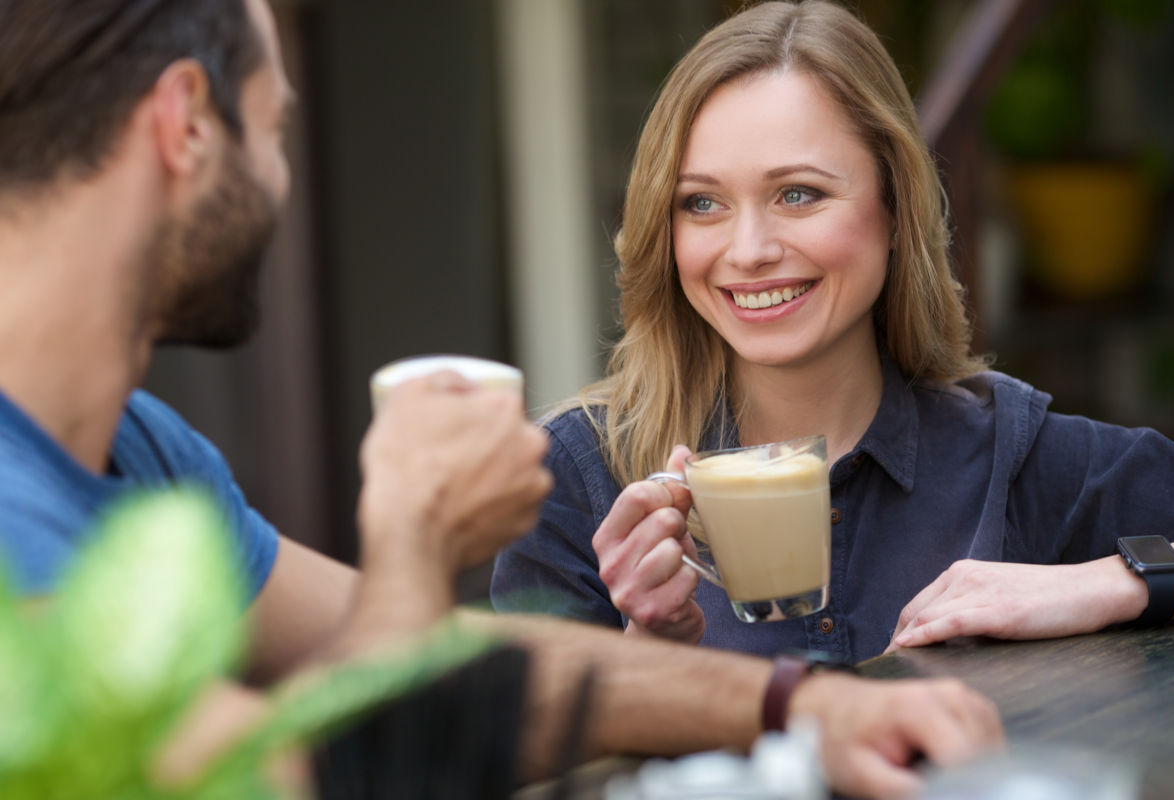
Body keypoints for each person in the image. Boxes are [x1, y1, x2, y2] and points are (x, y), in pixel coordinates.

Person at [0, 0, 1003, 797]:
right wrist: (410, 547)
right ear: (183, 124)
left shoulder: (140, 451)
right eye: (270, 129)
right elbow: (293, 774)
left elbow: (467, 660)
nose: (280, 179)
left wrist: (802, 705)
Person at [490, 0, 1174, 663]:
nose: (748, 249)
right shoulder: (575, 480)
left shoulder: (1007, 457)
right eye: (701, 203)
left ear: (895, 209)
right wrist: (650, 648)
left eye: (798, 194)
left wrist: (1107, 584)